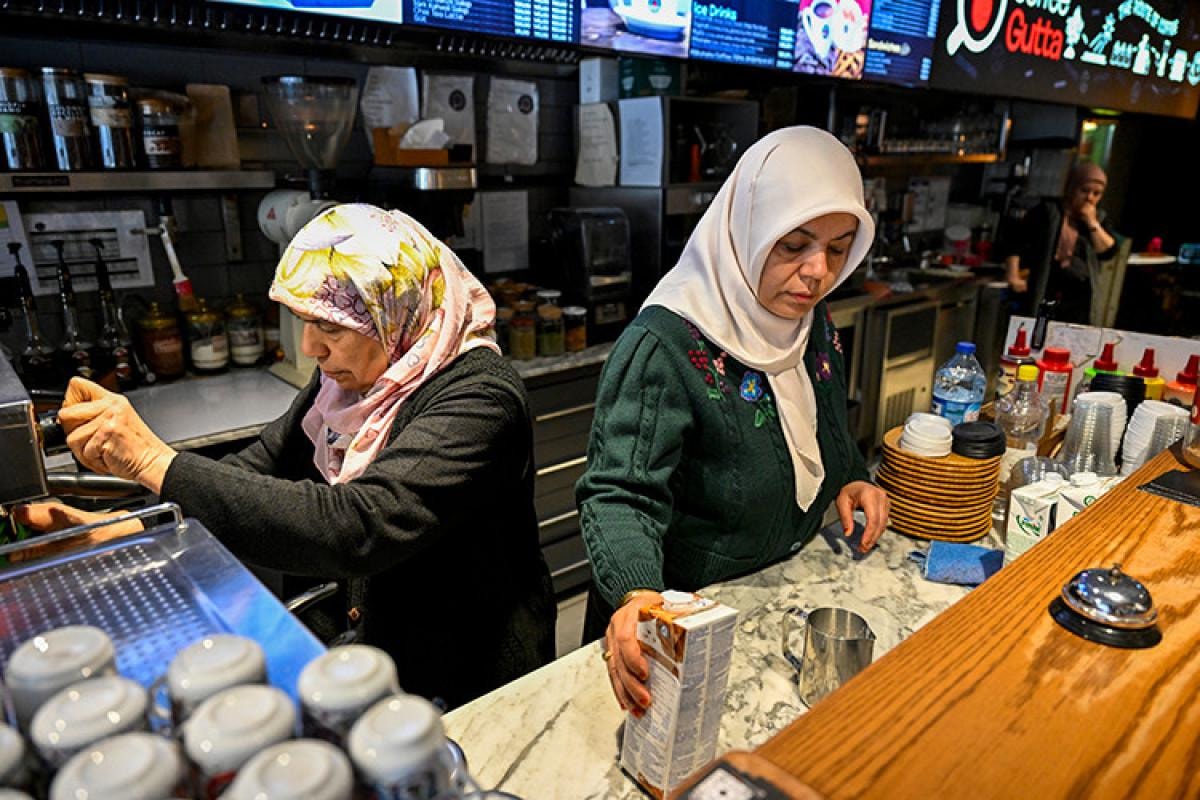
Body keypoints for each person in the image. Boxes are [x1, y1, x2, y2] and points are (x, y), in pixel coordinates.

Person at [16, 204, 555, 709]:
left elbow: (359, 525)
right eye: (305, 322)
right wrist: (120, 531)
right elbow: (259, 466)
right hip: (375, 655)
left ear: (394, 309)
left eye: (330, 326)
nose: (311, 348)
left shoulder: (480, 398)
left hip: (468, 671)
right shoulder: (350, 383)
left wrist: (151, 461)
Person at [575, 127, 890, 715]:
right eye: (793, 245)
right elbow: (618, 494)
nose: (818, 272)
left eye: (839, 248)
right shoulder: (664, 345)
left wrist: (850, 473)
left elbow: (819, 416)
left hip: (775, 598)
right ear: (747, 229)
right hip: (675, 628)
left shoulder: (809, 320)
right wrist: (639, 594)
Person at [1001, 161, 1119, 323]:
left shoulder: (1099, 218)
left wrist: (1092, 223)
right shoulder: (1048, 211)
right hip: (1046, 286)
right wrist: (1013, 274)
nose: (1089, 198)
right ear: (1071, 188)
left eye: (1096, 193)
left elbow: (1108, 252)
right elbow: (1015, 241)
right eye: (1084, 191)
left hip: (1079, 297)